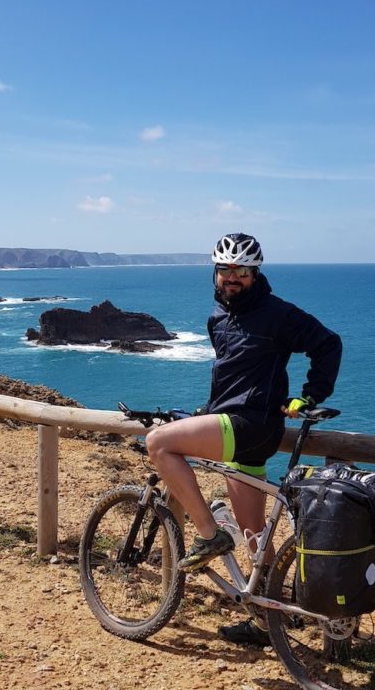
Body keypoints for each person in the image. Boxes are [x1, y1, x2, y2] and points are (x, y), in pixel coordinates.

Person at [145, 232, 342, 646]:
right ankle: (268, 622)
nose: (232, 277)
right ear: (215, 273)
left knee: (159, 444)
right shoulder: (219, 319)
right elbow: (233, 375)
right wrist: (206, 411)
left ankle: (208, 534)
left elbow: (327, 343)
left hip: (252, 425)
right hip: (233, 422)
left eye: (241, 270)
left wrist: (308, 395)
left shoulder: (278, 314)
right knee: (255, 534)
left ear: (255, 273)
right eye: (225, 269)